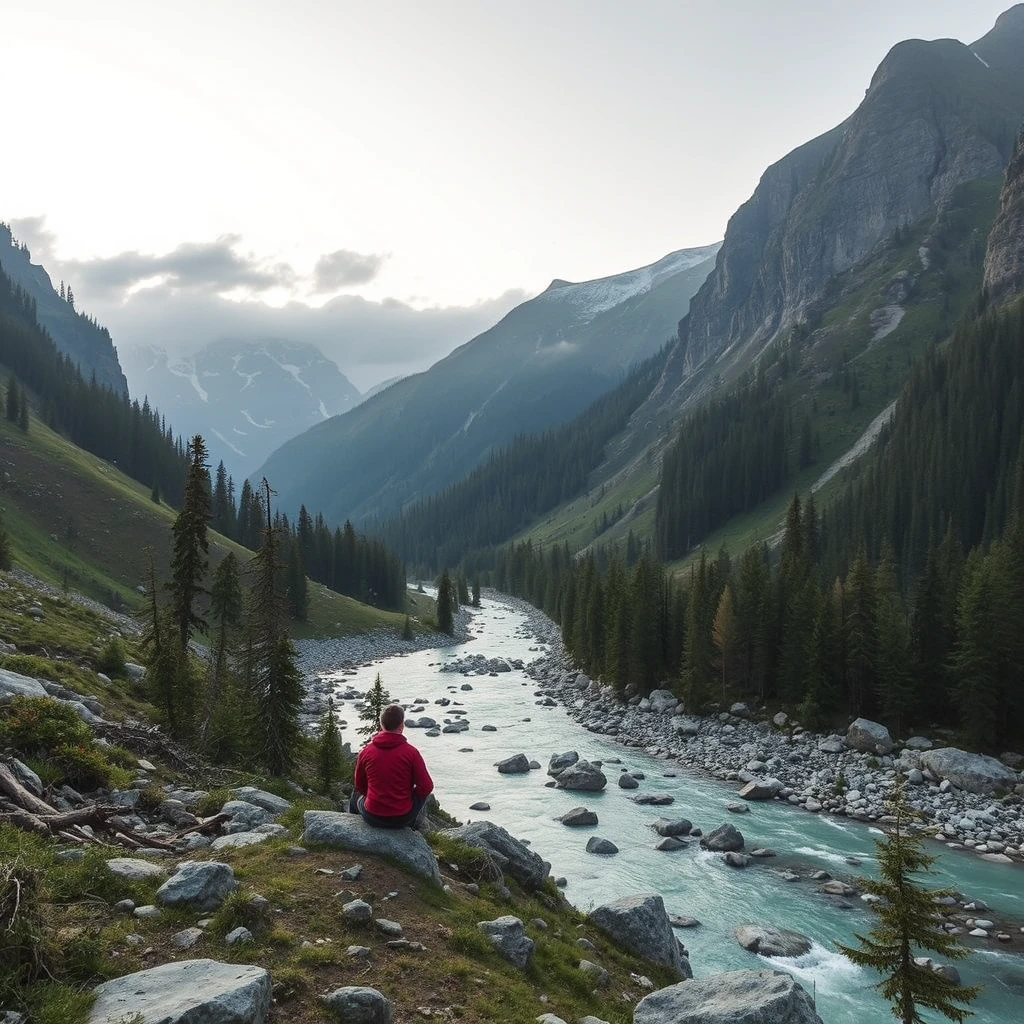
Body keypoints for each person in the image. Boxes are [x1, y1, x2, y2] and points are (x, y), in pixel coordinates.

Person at [349, 703, 434, 828]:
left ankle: (352, 827)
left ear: (381, 725)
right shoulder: (411, 753)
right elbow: (427, 786)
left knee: (355, 794)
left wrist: (376, 797)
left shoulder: (366, 751)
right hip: (402, 818)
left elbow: (360, 785)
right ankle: (414, 827)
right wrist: (408, 796)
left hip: (372, 816)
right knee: (421, 796)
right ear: (402, 726)